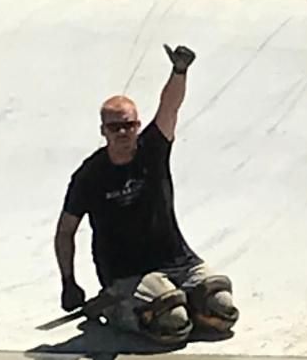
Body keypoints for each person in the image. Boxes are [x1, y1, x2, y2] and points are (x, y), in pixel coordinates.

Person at [54, 44, 238, 344]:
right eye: (115, 128)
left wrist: (179, 71)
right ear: (104, 131)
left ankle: (181, 301)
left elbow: (169, 107)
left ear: (138, 125)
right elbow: (65, 231)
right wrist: (68, 282)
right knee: (173, 323)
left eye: (129, 125)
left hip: (179, 261)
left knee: (221, 307)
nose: (123, 133)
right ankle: (118, 306)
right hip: (127, 273)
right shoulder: (90, 175)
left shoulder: (153, 149)